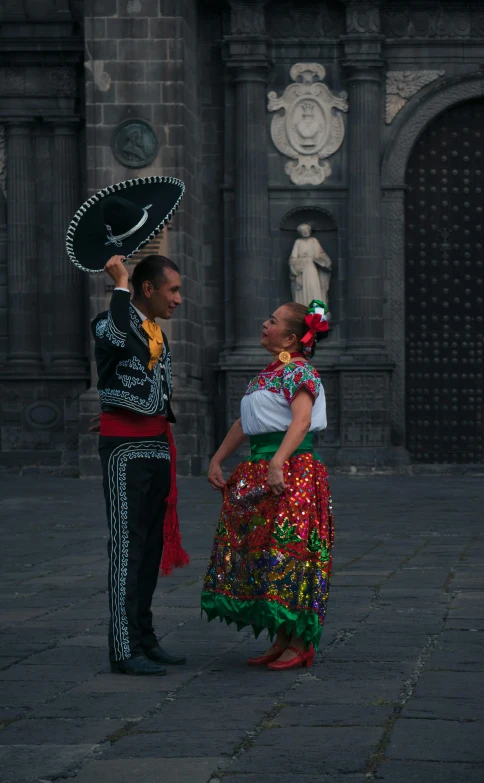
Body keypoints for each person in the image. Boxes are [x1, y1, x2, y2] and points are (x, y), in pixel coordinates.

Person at [202, 300, 333, 670]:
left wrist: (278, 462)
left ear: (291, 337)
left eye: (272, 321)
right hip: (262, 469)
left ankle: (300, 641)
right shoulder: (269, 373)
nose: (264, 324)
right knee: (264, 552)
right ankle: (282, 636)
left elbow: (302, 421)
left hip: (291, 472)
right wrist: (217, 458)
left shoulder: (300, 371)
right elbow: (247, 423)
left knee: (290, 551)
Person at [93, 253, 189, 676]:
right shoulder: (107, 322)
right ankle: (123, 646)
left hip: (155, 446)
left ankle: (145, 639)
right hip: (124, 448)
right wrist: (118, 283)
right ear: (146, 288)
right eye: (173, 290)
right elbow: (115, 334)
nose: (179, 299)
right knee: (127, 548)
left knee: (149, 550)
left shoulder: (156, 334)